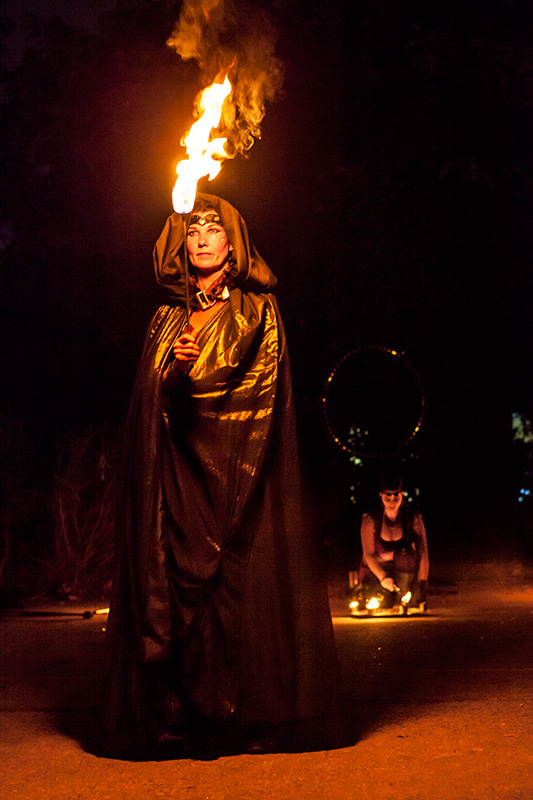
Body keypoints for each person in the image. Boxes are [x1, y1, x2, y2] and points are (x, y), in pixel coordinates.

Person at [102, 193, 340, 758]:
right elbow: (153, 403)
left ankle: (247, 719)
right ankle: (174, 718)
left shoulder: (258, 310)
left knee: (236, 591)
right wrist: (173, 369)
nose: (202, 236)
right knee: (172, 589)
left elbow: (235, 381)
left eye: (214, 228)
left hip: (237, 470)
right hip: (176, 479)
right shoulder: (165, 318)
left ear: (234, 244)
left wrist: (192, 367)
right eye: (193, 230)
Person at [352, 476, 429, 613]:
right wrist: (382, 577)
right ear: (381, 496)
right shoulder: (371, 520)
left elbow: (423, 555)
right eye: (388, 498)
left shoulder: (413, 519)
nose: (392, 502)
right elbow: (368, 555)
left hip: (405, 572)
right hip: (378, 572)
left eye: (396, 498)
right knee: (380, 602)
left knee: (406, 556)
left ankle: (402, 595)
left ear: (402, 495)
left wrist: (421, 584)